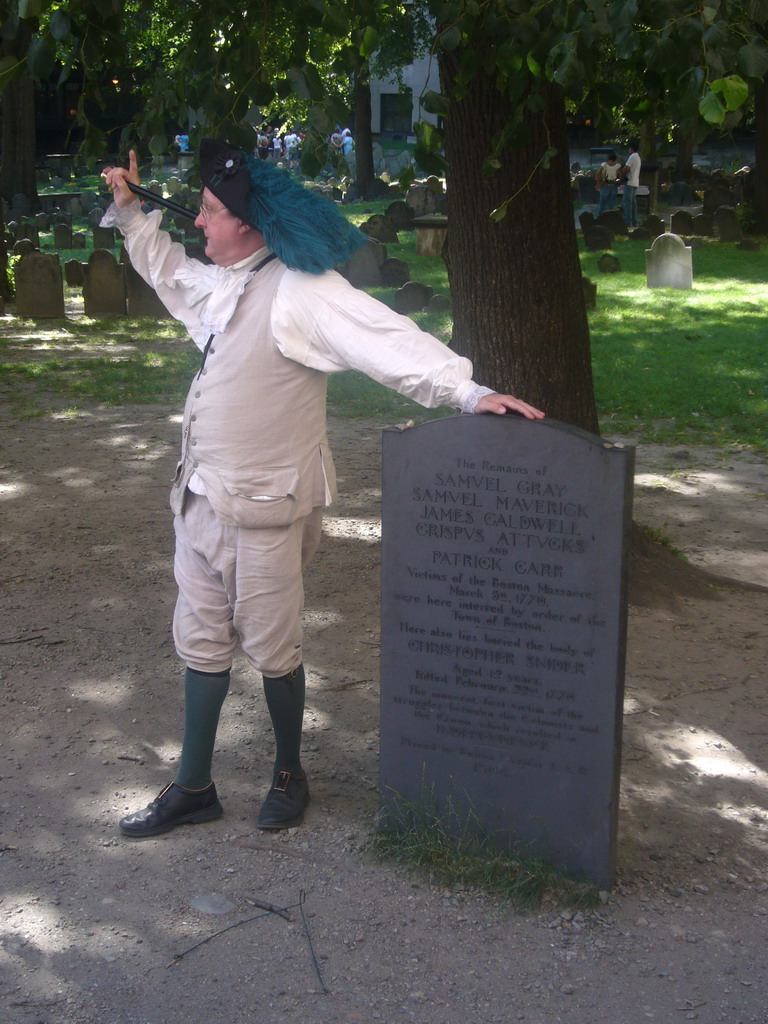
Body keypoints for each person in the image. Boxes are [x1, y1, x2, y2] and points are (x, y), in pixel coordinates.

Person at [100, 140, 545, 839]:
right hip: (200, 498)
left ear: (248, 224)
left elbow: (385, 339)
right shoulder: (225, 285)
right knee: (200, 642)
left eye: (211, 213)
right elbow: (170, 275)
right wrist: (132, 214)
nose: (200, 224)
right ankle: (193, 785)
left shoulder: (302, 294)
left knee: (275, 648)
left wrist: (469, 391)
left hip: (268, 509)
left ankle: (288, 773)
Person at [621, 139, 642, 228]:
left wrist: (622, 171)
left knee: (627, 203)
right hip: (635, 182)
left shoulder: (632, 156)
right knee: (633, 203)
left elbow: (626, 168)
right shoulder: (638, 157)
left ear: (631, 148)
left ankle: (627, 222)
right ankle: (634, 221)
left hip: (630, 182)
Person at [595, 151, 621, 217]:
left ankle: (599, 218)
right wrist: (618, 182)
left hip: (605, 185)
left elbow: (598, 173)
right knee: (611, 205)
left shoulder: (604, 165)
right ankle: (609, 219)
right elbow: (620, 176)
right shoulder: (618, 166)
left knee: (601, 204)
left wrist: (598, 184)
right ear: (615, 160)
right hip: (613, 185)